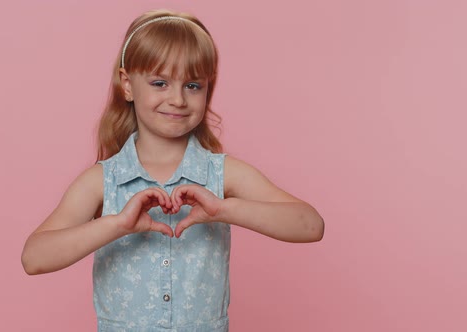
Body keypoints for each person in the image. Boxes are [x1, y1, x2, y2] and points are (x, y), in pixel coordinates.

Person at [21, 9, 324, 331]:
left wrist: (224, 209)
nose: (178, 99)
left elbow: (310, 225)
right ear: (127, 85)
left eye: (193, 85)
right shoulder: (101, 181)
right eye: (160, 82)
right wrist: (117, 225)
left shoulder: (225, 174)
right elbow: (35, 258)